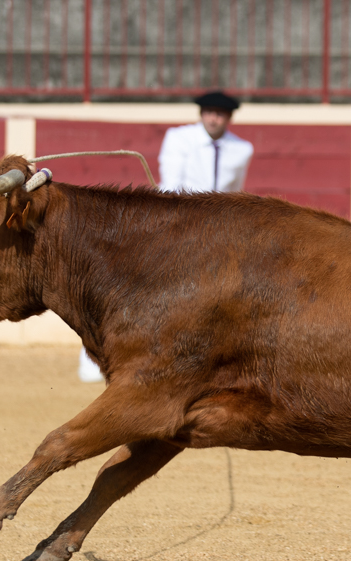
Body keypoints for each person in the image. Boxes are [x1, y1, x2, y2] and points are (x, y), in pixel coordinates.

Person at [78, 90, 254, 383]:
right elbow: (171, 183)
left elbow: (233, 193)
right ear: (201, 113)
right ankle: (93, 359)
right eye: (209, 111)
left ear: (229, 117)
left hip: (214, 231)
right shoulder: (179, 138)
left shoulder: (242, 149)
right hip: (175, 221)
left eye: (220, 113)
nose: (213, 117)